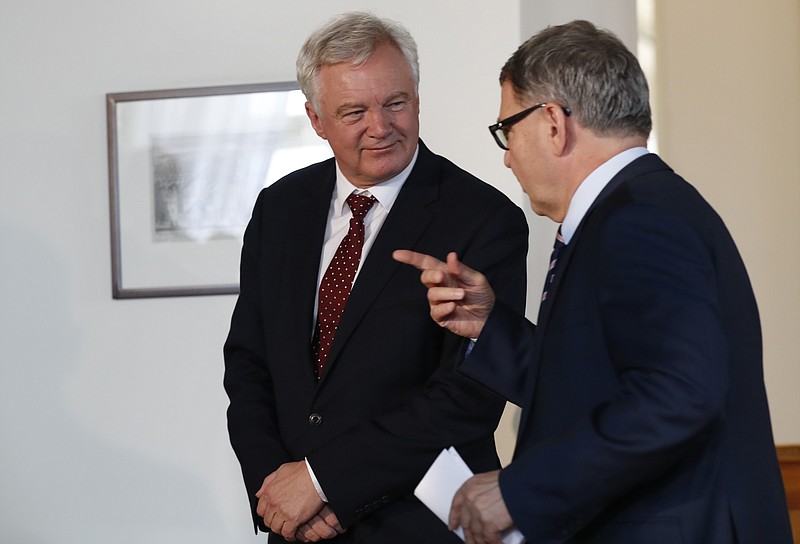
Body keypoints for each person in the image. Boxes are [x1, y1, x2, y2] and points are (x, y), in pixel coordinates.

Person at [394, 19, 793, 544]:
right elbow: (602, 383)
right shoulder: (638, 209)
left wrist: (520, 490)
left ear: (554, 123)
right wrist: (491, 327)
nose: (507, 155)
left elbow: (678, 394)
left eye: (506, 131)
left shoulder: (641, 220)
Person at [223, 11, 528, 544]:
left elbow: (468, 395)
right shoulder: (280, 208)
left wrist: (327, 484)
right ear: (316, 119)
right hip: (294, 527)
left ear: (416, 97)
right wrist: (277, 490)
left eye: (395, 103)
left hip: (420, 526)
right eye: (353, 111)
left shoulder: (483, 217)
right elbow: (249, 363)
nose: (380, 126)